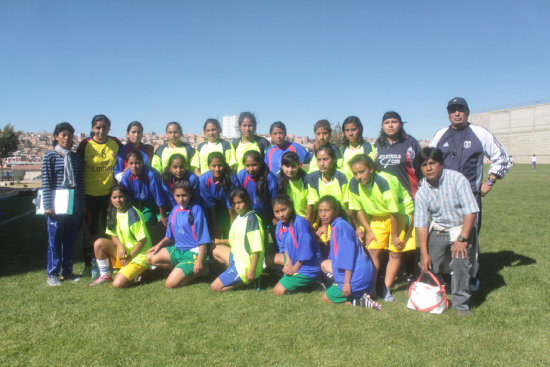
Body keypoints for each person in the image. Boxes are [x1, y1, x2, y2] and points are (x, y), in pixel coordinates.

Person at [430, 97, 511, 288]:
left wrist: (490, 181)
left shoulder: (480, 133)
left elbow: (503, 158)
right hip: (443, 197)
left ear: (467, 111)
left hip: (470, 198)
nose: (456, 113)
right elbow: (429, 160)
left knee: (468, 238)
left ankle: (470, 277)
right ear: (448, 113)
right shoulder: (441, 134)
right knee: (442, 237)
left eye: (460, 109)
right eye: (452, 110)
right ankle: (446, 276)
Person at [414, 147, 479, 316]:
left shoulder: (457, 179)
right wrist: (423, 253)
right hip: (439, 229)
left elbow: (471, 211)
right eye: (424, 165)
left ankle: (461, 303)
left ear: (440, 164)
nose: (428, 168)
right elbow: (421, 224)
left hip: (461, 228)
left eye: (432, 163)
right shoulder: (422, 191)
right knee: (428, 265)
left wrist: (463, 238)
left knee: (460, 262)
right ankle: (437, 293)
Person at [348, 154, 414, 302]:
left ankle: (386, 287)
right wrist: (369, 231)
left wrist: (395, 236)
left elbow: (394, 211)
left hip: (401, 213)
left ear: (371, 169)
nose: (358, 176)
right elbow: (357, 209)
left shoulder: (384, 181)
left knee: (395, 251)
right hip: (379, 216)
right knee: (372, 249)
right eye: (355, 173)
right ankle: (371, 286)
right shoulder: (353, 183)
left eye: (361, 172)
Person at [374, 111, 422, 281]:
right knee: (388, 233)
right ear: (382, 126)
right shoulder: (378, 145)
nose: (391, 125)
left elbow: (420, 167)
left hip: (408, 197)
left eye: (394, 122)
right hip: (385, 199)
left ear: (401, 124)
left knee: (406, 236)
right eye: (387, 122)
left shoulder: (410, 142)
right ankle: (386, 272)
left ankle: (410, 272)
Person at [77, 114, 122, 276]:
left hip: (110, 196)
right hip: (90, 196)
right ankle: (92, 264)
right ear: (92, 128)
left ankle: (116, 261)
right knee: (91, 232)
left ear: (109, 128)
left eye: (104, 127)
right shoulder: (85, 145)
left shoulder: (115, 143)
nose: (101, 130)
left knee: (112, 230)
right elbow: (78, 168)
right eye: (97, 127)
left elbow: (124, 162)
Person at [41, 122, 85, 286]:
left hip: (73, 201)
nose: (67, 138)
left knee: (70, 238)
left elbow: (80, 182)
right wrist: (47, 205)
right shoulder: (50, 156)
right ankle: (52, 273)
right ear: (56, 137)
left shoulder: (75, 158)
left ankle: (67, 271)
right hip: (56, 202)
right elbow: (46, 182)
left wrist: (82, 204)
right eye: (63, 135)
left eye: (69, 135)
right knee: (55, 238)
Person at [317, 196, 381, 309]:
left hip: (357, 278)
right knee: (324, 264)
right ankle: (358, 292)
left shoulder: (341, 227)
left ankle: (358, 300)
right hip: (361, 275)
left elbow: (348, 258)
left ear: (336, 211)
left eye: (327, 210)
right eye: (320, 211)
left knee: (326, 298)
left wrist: (346, 283)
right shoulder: (338, 224)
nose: (323, 214)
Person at [146, 181, 210, 288]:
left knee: (170, 284)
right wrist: (158, 246)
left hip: (193, 253)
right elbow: (169, 236)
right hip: (178, 250)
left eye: (184, 195)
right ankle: (181, 268)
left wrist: (199, 260)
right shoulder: (175, 210)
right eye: (177, 196)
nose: (181, 199)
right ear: (174, 196)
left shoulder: (196, 210)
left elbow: (203, 240)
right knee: (149, 258)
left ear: (190, 195)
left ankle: (202, 269)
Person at [90, 185, 152, 288]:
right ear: (110, 199)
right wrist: (120, 245)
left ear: (126, 197)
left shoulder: (133, 214)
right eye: (114, 197)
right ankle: (105, 275)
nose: (118, 200)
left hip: (138, 256)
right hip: (126, 253)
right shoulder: (113, 212)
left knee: (117, 284)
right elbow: (112, 235)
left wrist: (129, 257)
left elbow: (142, 240)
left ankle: (144, 272)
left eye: (121, 197)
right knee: (99, 243)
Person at [210, 188, 265, 292]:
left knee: (214, 288)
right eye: (234, 203)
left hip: (245, 266)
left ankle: (248, 281)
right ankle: (231, 272)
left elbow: (256, 248)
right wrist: (220, 242)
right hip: (237, 257)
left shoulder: (252, 219)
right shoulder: (240, 217)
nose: (236, 206)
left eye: (239, 202)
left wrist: (252, 271)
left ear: (247, 201)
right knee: (215, 249)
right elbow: (236, 240)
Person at [265, 195, 321, 295]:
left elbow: (306, 252)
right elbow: (284, 248)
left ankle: (314, 284)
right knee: (268, 259)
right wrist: (288, 263)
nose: (281, 215)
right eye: (277, 212)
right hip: (294, 261)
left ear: (290, 207)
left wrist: (294, 269)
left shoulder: (300, 223)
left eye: (283, 210)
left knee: (277, 291)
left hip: (308, 267)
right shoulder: (279, 225)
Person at [120, 151, 170, 237]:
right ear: (127, 164)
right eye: (131, 163)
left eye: (137, 163)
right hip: (139, 205)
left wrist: (162, 215)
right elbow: (127, 195)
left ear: (142, 163)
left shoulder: (151, 174)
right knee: (137, 223)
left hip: (156, 204)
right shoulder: (126, 176)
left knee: (158, 223)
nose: (134, 166)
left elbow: (159, 196)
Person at [199, 152, 239, 239]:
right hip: (213, 208)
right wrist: (214, 224)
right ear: (209, 166)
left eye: (220, 165)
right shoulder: (203, 179)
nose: (217, 169)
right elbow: (209, 203)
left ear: (224, 165)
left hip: (230, 207)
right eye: (213, 166)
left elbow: (231, 201)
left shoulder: (231, 177)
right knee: (215, 231)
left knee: (230, 230)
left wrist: (233, 223)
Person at [237, 150, 279, 234]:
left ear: (260, 163)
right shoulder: (242, 175)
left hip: (267, 214)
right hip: (249, 214)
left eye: (254, 165)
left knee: (270, 238)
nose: (251, 169)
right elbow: (238, 195)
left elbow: (275, 199)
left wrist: (275, 216)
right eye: (247, 166)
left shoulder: (269, 177)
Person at [277, 151, 308, 218]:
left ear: (298, 165)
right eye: (287, 166)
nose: (290, 170)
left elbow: (311, 204)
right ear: (282, 166)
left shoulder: (306, 179)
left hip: (304, 218)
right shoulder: (277, 179)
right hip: (286, 218)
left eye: (293, 166)